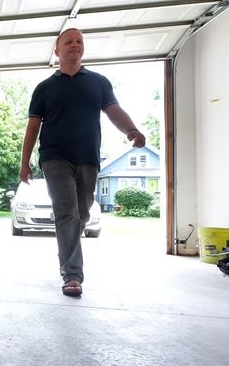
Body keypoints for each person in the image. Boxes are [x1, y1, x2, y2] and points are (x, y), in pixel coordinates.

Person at [19, 28, 146, 297]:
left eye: (79, 41)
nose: (75, 45)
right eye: (69, 42)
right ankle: (72, 274)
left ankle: (67, 251)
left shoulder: (99, 82)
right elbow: (32, 127)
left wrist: (131, 130)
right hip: (54, 157)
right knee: (68, 213)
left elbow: (114, 111)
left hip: (88, 158)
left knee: (82, 214)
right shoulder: (45, 88)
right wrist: (25, 161)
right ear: (57, 51)